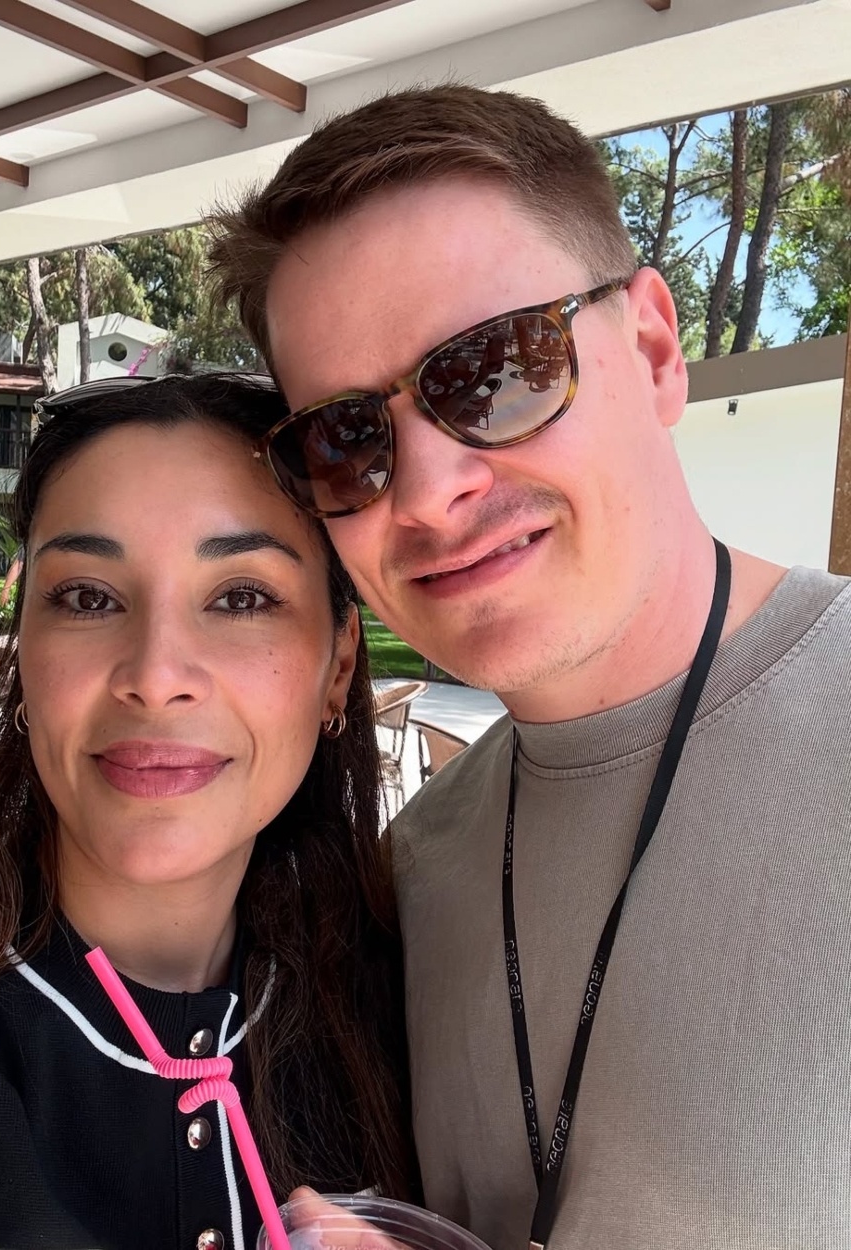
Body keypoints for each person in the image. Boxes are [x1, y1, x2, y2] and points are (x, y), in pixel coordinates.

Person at [206, 85, 851, 1249]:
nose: (428, 489)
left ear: (652, 349)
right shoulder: (419, 864)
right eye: (346, 438)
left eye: (494, 370)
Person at [0, 373, 416, 1250]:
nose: (155, 677)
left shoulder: (415, 1021)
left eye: (241, 597)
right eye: (88, 597)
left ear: (339, 664)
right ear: (26, 651)